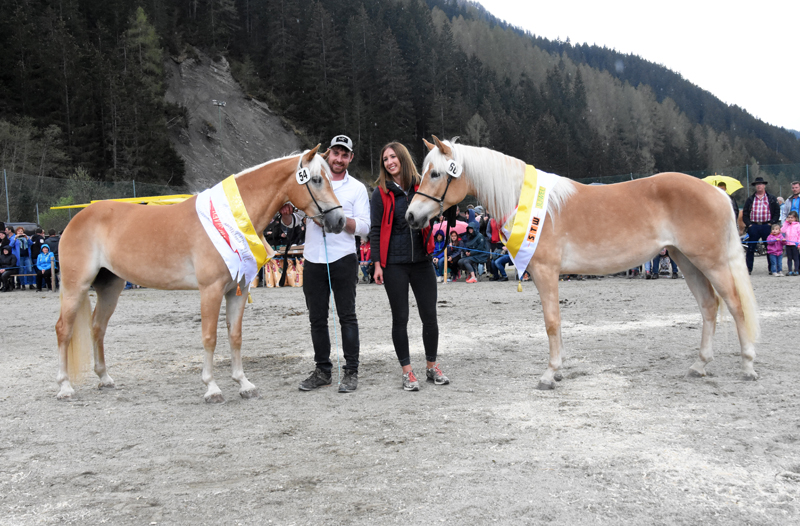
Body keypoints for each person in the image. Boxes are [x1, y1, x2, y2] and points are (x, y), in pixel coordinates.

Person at [285, 134, 370, 393]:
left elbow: (365, 227)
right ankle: (323, 370)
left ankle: (351, 372)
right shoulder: (310, 181)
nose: (339, 159)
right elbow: (293, 221)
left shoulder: (357, 188)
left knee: (347, 317)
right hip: (313, 260)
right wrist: (287, 216)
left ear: (350, 158)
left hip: (343, 259)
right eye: (336, 153)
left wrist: (338, 219)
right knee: (317, 319)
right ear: (327, 155)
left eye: (345, 155)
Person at [370, 141, 448, 391]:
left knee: (430, 317)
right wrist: (377, 264)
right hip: (394, 264)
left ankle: (431, 366)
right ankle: (407, 372)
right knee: (400, 318)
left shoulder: (421, 185)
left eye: (393, 157)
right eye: (385, 159)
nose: (390, 162)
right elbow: (374, 230)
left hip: (422, 261)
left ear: (402, 158)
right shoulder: (380, 192)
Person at [742, 176, 781, 274]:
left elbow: (777, 211)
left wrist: (771, 223)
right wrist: (749, 225)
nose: (759, 186)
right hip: (754, 226)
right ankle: (748, 269)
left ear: (764, 185)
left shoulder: (771, 198)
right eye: (757, 184)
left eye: (760, 184)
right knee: (751, 249)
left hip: (766, 226)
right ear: (755, 186)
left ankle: (772, 269)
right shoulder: (750, 199)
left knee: (770, 248)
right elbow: (745, 213)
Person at [781, 211, 800, 276]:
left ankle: (796, 270)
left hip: (795, 244)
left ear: (795, 218)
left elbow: (799, 235)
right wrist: (785, 223)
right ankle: (790, 270)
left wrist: (799, 243)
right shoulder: (787, 225)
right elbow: (782, 230)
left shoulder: (798, 225)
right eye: (789, 217)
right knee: (789, 258)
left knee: (796, 258)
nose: (790, 219)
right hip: (788, 244)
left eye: (792, 217)